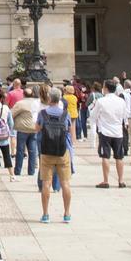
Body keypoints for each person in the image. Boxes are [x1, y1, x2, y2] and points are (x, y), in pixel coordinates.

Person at [36, 85, 73, 224]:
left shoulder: (43, 114)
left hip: (46, 151)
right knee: (65, 183)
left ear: (50, 98)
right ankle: (67, 213)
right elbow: (69, 130)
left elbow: (37, 128)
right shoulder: (65, 114)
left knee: (46, 183)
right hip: (62, 151)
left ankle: (45, 214)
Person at [88, 82, 129, 189]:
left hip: (105, 131)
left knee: (105, 156)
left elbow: (93, 116)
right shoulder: (121, 101)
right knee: (119, 157)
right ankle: (121, 180)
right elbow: (125, 115)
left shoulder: (101, 101)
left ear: (105, 88)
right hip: (118, 131)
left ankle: (106, 180)